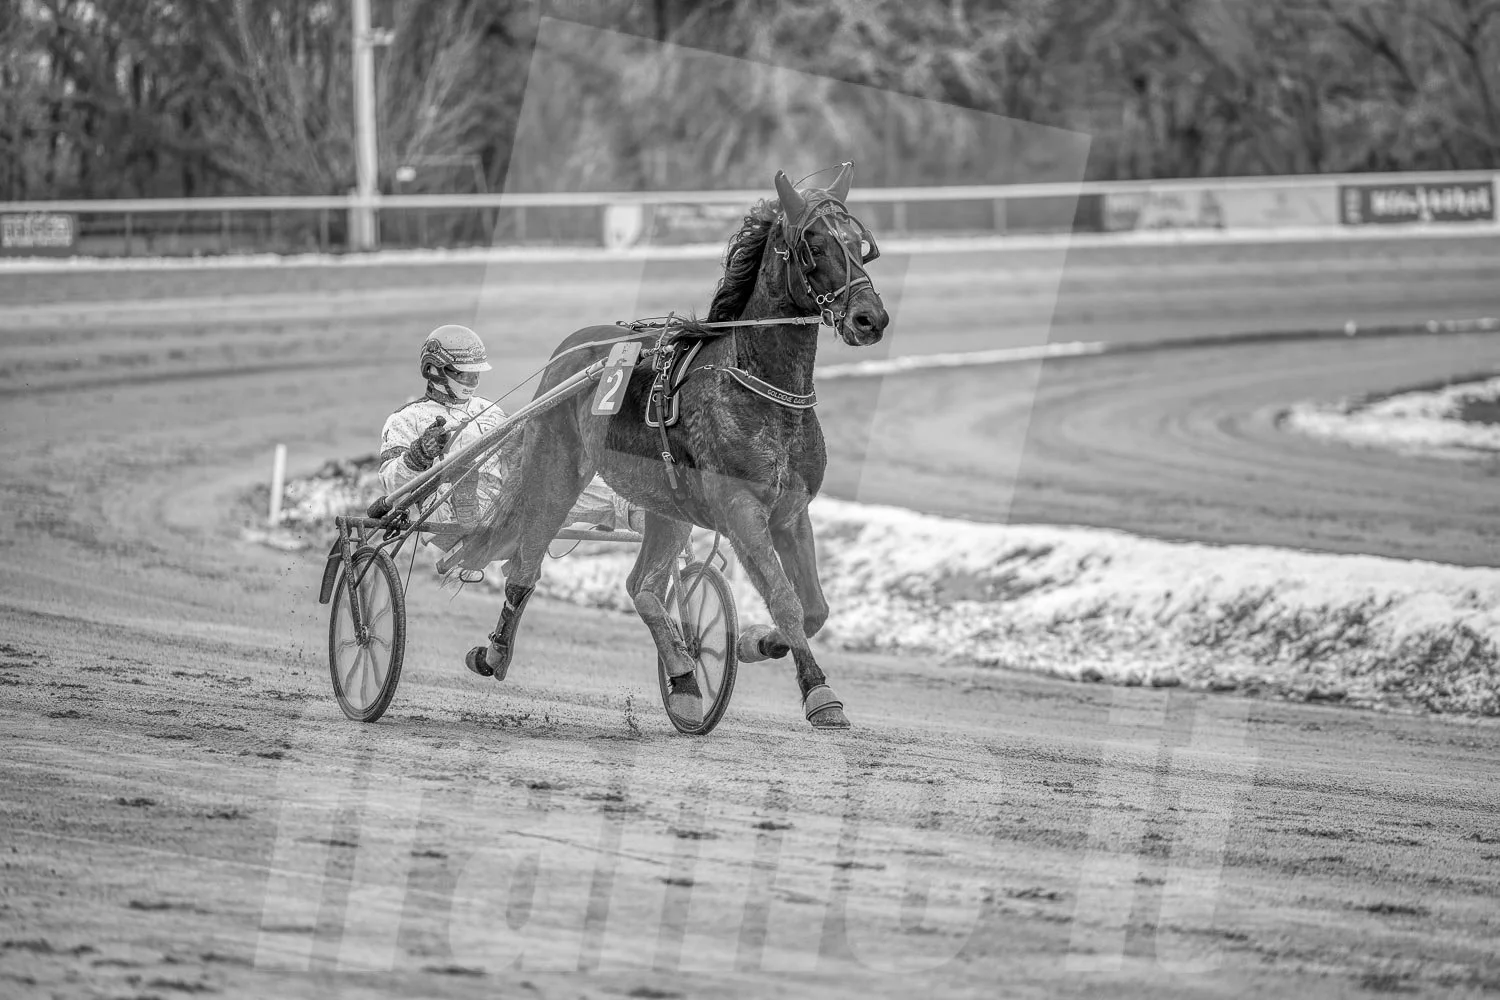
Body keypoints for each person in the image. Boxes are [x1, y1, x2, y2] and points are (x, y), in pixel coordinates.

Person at [378, 325, 637, 548]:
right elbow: (393, 484)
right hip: (457, 512)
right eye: (464, 373)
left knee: (611, 493)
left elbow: (518, 450)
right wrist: (419, 454)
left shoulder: (488, 409)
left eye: (475, 373)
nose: (472, 379)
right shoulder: (405, 418)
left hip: (513, 498)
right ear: (435, 370)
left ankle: (657, 528)